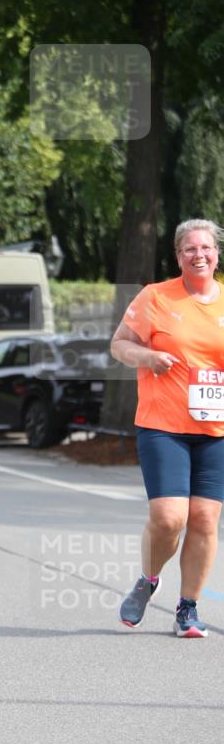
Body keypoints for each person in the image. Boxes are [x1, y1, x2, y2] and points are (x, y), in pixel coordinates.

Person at [112, 219, 224, 638]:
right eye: (190, 249)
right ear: (178, 256)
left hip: (216, 429)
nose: (199, 255)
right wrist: (146, 356)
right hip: (164, 426)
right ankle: (148, 578)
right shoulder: (156, 297)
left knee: (205, 520)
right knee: (169, 518)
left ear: (217, 253)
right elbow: (119, 344)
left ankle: (188, 609)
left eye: (206, 248)